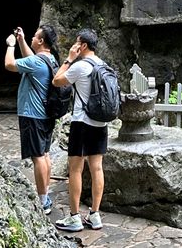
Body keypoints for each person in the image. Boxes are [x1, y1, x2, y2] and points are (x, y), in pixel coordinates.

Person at [52, 28, 107, 233]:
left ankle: (74, 217)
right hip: (100, 123)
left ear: (83, 45)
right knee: (97, 169)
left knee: (75, 169)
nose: (74, 46)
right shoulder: (103, 65)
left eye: (77, 43)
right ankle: (95, 215)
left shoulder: (80, 66)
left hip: (82, 123)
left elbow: (57, 81)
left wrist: (68, 59)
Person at [5, 24, 60, 215]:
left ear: (41, 41)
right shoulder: (50, 59)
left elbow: (9, 65)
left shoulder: (36, 63)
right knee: (45, 155)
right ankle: (46, 195)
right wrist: (21, 39)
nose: (32, 39)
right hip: (46, 114)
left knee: (38, 158)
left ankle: (42, 200)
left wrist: (11, 45)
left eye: (34, 37)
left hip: (32, 115)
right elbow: (31, 58)